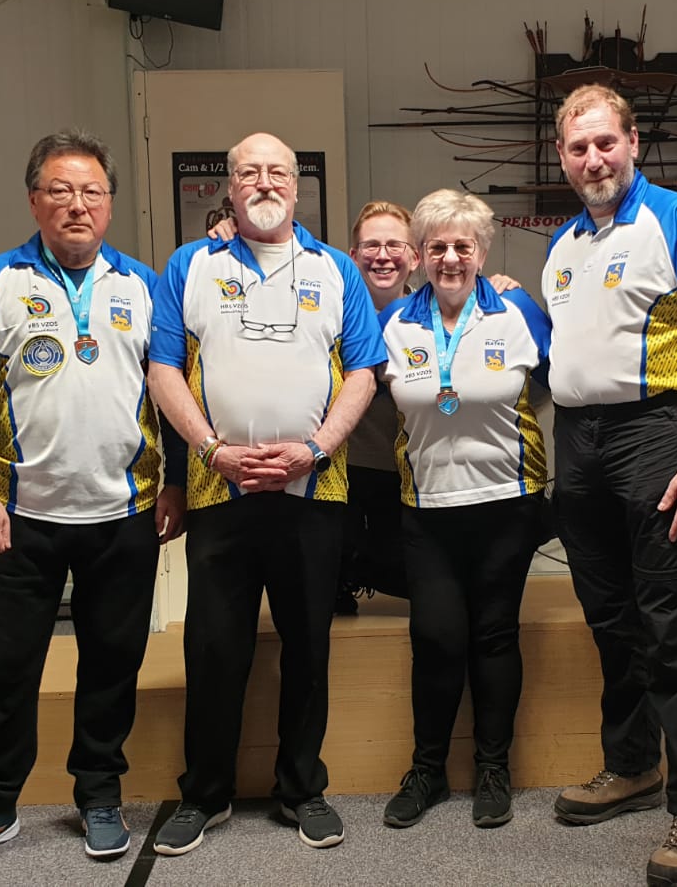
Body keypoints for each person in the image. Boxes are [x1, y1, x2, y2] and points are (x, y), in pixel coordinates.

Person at [0, 128, 187, 875]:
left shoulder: (142, 285)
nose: (77, 205)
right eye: (60, 191)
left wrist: (172, 479)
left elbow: (168, 393)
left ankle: (99, 795)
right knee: (7, 668)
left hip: (125, 517)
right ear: (35, 200)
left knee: (113, 663)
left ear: (109, 204)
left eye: (92, 192)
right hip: (21, 518)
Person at [145, 132, 387, 854]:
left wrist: (315, 448)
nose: (264, 181)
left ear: (296, 184)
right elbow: (162, 369)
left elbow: (366, 371)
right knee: (215, 648)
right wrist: (212, 452)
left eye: (276, 170)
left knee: (308, 646)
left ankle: (301, 788)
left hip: (314, 490)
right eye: (249, 170)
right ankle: (204, 794)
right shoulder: (190, 264)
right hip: (220, 490)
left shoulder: (334, 267)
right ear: (229, 185)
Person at [542, 84, 677, 887]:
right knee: (612, 622)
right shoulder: (563, 246)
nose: (592, 158)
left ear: (633, 143)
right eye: (576, 147)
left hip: (655, 435)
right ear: (561, 158)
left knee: (673, 631)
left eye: (604, 142)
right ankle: (631, 766)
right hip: (580, 444)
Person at [210, 202, 524, 614]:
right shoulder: (326, 308)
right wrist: (239, 234)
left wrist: (489, 284)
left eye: (395, 245)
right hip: (341, 471)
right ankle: (347, 575)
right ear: (353, 256)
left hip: (412, 475)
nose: (382, 255)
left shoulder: (439, 310)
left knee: (431, 585)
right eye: (370, 246)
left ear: (415, 256)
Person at [375, 189, 551, 830]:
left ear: (482, 251)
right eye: (438, 247)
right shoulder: (395, 322)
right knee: (436, 637)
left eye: (463, 246)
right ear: (419, 256)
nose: (450, 257)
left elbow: (567, 384)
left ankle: (492, 769)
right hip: (428, 508)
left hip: (507, 503)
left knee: (494, 635)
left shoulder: (518, 310)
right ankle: (426, 772)